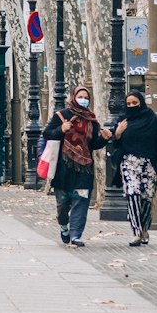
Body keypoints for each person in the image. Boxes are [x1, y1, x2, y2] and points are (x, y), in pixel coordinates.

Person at [41, 84, 111, 248]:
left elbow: (93, 144)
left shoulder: (91, 120)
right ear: (73, 97)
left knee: (80, 201)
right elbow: (47, 134)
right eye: (81, 97)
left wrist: (105, 139)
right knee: (63, 205)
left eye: (87, 98)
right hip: (63, 169)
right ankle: (64, 226)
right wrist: (61, 129)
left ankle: (76, 235)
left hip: (84, 170)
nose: (84, 100)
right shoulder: (62, 115)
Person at [111, 90, 157, 246]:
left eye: (134, 103)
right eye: (128, 104)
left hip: (149, 164)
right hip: (129, 163)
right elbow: (115, 143)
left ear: (141, 102)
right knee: (133, 194)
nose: (131, 106)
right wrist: (118, 133)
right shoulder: (123, 119)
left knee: (146, 198)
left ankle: (144, 228)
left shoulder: (152, 119)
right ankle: (136, 231)